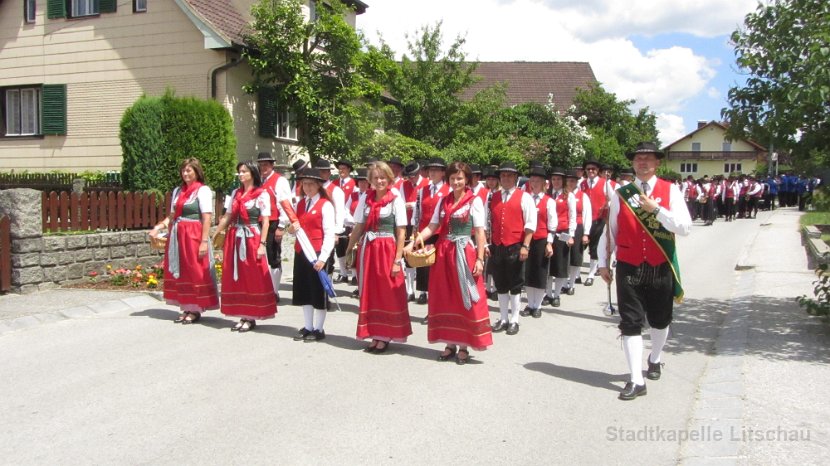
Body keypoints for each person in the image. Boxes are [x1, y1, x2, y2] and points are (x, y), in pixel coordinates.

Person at [598, 142, 692, 401]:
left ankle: (655, 357)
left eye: (648, 158)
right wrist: (603, 262)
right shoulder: (621, 194)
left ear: (657, 163)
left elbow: (685, 227)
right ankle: (635, 380)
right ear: (632, 163)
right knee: (631, 323)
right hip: (628, 265)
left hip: (659, 264)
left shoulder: (671, 191)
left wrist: (657, 210)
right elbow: (611, 231)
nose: (643, 162)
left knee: (660, 320)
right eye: (638, 158)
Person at [405, 162, 493, 364]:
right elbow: (433, 226)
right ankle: (450, 342)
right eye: (453, 178)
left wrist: (480, 258)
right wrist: (414, 243)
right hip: (444, 254)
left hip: (464, 253)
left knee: (465, 297)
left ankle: (464, 345)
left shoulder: (474, 201)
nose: (456, 182)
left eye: (460, 178)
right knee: (445, 297)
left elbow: (480, 231)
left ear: (467, 180)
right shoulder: (443, 201)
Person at [346, 161, 411, 353]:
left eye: (383, 177)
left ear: (389, 178)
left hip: (387, 249)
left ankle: (385, 335)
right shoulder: (366, 198)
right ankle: (374, 333)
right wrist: (349, 249)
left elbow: (401, 232)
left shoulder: (395, 199)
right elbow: (358, 226)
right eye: (375, 178)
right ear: (370, 180)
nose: (379, 181)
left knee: (387, 292)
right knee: (369, 291)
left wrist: (398, 260)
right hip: (368, 249)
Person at [149, 158, 219, 324]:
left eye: (189, 170)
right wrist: (159, 227)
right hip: (178, 234)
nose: (186, 173)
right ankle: (186, 306)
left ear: (197, 172)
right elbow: (173, 215)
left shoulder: (202, 191)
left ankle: (196, 308)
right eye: (184, 170)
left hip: (194, 234)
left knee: (194, 269)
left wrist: (203, 241)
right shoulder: (178, 191)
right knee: (180, 269)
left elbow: (207, 217)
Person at [213, 161, 276, 332]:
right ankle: (243, 313)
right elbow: (227, 215)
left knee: (252, 275)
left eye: (244, 171)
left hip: (252, 236)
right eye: (239, 172)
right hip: (235, 237)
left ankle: (252, 315)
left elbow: (266, 222)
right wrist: (216, 232)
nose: (240, 175)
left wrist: (262, 244)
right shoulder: (235, 193)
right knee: (238, 275)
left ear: (252, 174)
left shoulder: (261, 194)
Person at [488, 161, 536, 335]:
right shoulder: (494, 197)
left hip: (515, 245)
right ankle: (503, 318)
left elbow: (530, 224)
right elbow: (490, 223)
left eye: (509, 175)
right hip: (497, 246)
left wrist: (525, 246)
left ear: (516, 178)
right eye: (503, 175)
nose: (506, 178)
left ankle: (515, 319)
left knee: (515, 284)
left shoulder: (525, 197)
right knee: (500, 284)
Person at [289, 168, 336, 341]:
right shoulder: (300, 204)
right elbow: (294, 229)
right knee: (304, 290)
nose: (307, 187)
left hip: (317, 252)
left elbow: (329, 233)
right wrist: (290, 230)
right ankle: (308, 326)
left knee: (317, 291)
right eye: (304, 184)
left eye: (310, 184)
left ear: (318, 185)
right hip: (301, 251)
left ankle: (319, 328)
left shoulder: (326, 205)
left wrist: (323, 258)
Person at [412, 157, 450, 308]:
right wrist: (416, 230)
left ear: (442, 173)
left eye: (436, 170)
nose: (432, 173)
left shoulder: (449, 190)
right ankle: (427, 299)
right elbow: (418, 212)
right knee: (425, 268)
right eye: (430, 170)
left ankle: (439, 304)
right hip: (425, 233)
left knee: (438, 271)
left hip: (440, 234)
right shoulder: (423, 190)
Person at [520, 166, 555, 318]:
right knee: (527, 271)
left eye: (537, 180)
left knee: (540, 272)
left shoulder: (549, 201)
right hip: (526, 239)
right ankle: (530, 303)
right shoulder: (524, 198)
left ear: (543, 183)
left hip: (541, 239)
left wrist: (549, 242)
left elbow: (552, 224)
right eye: (532, 180)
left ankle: (538, 304)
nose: (533, 182)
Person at [257, 152, 291, 304]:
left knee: (273, 256)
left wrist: (282, 226)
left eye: (266, 164)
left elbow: (285, 203)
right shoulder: (258, 180)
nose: (263, 167)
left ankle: (274, 291)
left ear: (272, 165)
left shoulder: (280, 180)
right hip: (258, 222)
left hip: (273, 222)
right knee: (259, 256)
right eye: (261, 164)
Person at [545, 168, 576, 307]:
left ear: (563, 181)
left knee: (560, 265)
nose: (556, 182)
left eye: (558, 179)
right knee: (548, 265)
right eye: (554, 179)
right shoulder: (547, 195)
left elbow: (572, 216)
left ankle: (556, 294)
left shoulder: (568, 196)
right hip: (548, 232)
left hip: (562, 233)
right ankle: (548, 293)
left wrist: (571, 235)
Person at [400, 161, 428, 301]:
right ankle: (409, 289)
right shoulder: (403, 185)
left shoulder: (427, 184)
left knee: (423, 257)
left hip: (424, 225)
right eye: (409, 177)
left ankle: (424, 291)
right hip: (409, 223)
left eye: (413, 176)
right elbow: (400, 203)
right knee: (409, 258)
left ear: (418, 174)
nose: (410, 179)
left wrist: (412, 205)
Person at [579, 160, 610, 286]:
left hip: (598, 219)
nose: (591, 171)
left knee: (595, 247)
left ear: (598, 170)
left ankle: (591, 274)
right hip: (584, 219)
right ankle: (576, 274)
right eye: (588, 169)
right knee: (580, 246)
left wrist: (606, 207)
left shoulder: (604, 183)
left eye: (593, 169)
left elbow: (610, 199)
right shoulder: (582, 184)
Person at [565, 169, 591, 294]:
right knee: (564, 255)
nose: (570, 183)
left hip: (578, 227)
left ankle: (572, 283)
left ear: (576, 182)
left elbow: (587, 214)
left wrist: (586, 233)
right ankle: (564, 282)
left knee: (575, 256)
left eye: (572, 181)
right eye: (568, 181)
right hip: (565, 227)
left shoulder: (582, 196)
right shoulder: (562, 195)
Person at [334, 160, 356, 283]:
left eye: (344, 168)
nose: (341, 171)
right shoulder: (335, 183)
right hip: (337, 218)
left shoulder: (354, 184)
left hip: (349, 218)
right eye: (340, 168)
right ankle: (343, 273)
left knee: (350, 246)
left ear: (348, 170)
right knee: (340, 247)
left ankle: (354, 273)